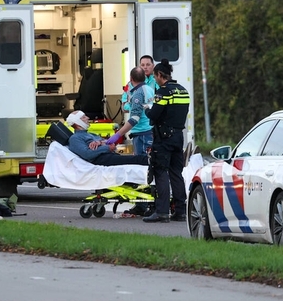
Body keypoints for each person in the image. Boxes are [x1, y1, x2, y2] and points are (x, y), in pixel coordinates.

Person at [143, 59, 190, 223]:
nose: (155, 79)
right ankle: (180, 211)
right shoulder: (183, 90)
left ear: (159, 75)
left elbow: (155, 114)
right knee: (176, 173)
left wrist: (147, 110)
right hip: (178, 136)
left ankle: (162, 211)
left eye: (155, 76)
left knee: (160, 172)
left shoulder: (163, 92)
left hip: (163, 138)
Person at [110, 66, 155, 217]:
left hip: (142, 135)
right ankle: (149, 203)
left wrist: (117, 136)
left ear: (131, 79)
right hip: (149, 132)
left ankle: (143, 205)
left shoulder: (137, 94)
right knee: (149, 167)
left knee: (141, 170)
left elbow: (134, 118)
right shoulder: (149, 89)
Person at [65, 111, 149, 167]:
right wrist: (107, 147)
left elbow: (109, 143)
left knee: (138, 159)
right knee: (139, 159)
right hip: (101, 159)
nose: (87, 118)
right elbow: (87, 154)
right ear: (77, 123)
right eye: (83, 117)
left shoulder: (91, 134)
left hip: (109, 156)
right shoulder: (75, 138)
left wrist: (100, 142)